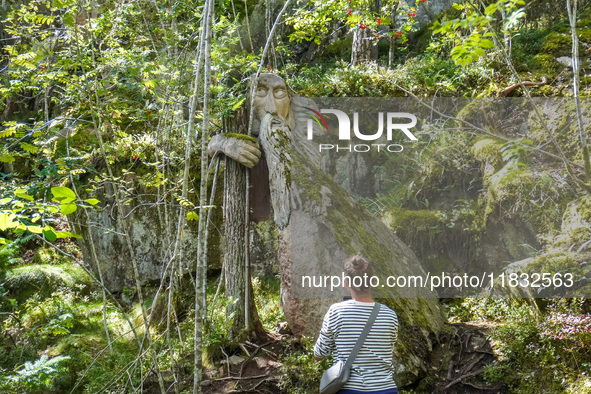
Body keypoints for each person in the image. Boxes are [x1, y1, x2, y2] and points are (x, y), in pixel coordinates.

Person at [314, 255, 399, 394]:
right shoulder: (390, 315)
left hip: (349, 389)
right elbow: (388, 349)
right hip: (385, 389)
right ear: (373, 281)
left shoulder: (336, 312)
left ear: (345, 283)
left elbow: (319, 354)